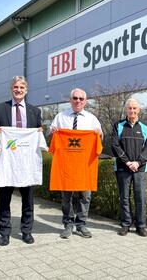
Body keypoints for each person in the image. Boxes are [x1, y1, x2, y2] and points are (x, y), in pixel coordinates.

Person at [0, 76, 42, 246]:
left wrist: (40, 131)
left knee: (28, 200)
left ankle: (26, 231)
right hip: (7, 162)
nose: (18, 90)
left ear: (26, 90)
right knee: (4, 199)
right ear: (11, 89)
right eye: (15, 87)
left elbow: (37, 135)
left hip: (27, 163)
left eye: (21, 87)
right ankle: (4, 232)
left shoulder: (35, 111)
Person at [50, 88, 102, 239]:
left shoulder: (92, 119)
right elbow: (53, 139)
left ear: (85, 101)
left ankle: (81, 224)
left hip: (85, 165)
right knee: (66, 196)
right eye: (75, 98)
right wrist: (53, 132)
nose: (78, 101)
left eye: (81, 98)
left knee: (85, 196)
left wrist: (98, 134)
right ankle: (68, 224)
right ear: (70, 99)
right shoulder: (60, 117)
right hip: (66, 165)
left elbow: (99, 140)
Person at [111, 98, 147, 237]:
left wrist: (138, 163)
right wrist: (128, 162)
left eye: (135, 108)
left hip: (140, 169)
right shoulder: (119, 125)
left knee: (140, 197)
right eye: (130, 108)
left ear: (139, 110)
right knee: (124, 197)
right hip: (123, 168)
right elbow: (115, 146)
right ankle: (125, 224)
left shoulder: (145, 128)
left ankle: (141, 225)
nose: (132, 111)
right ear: (126, 110)